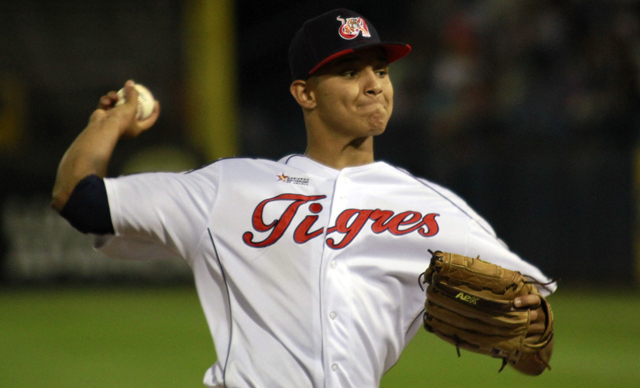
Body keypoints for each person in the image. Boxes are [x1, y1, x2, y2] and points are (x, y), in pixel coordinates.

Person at [51, 8, 556, 388]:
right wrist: (109, 122)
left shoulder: (433, 208)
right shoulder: (230, 187)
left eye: (380, 70)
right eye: (350, 71)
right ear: (304, 93)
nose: (373, 85)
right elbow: (78, 199)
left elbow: (530, 345)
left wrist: (534, 328)